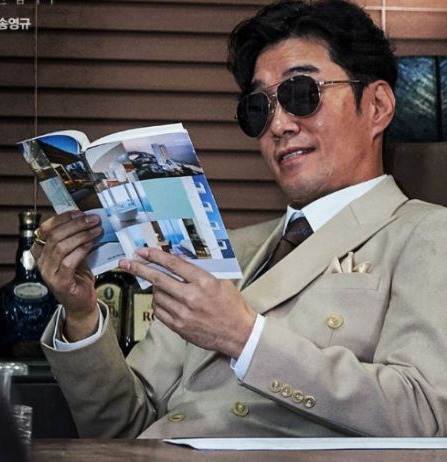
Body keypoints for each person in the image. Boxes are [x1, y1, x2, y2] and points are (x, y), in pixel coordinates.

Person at [31, 0, 447, 438]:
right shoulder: (221, 247)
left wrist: (245, 338)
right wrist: (81, 313)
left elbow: (425, 415)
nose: (279, 125)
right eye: (259, 108)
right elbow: (122, 430)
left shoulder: (425, 234)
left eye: (301, 93)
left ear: (377, 106)